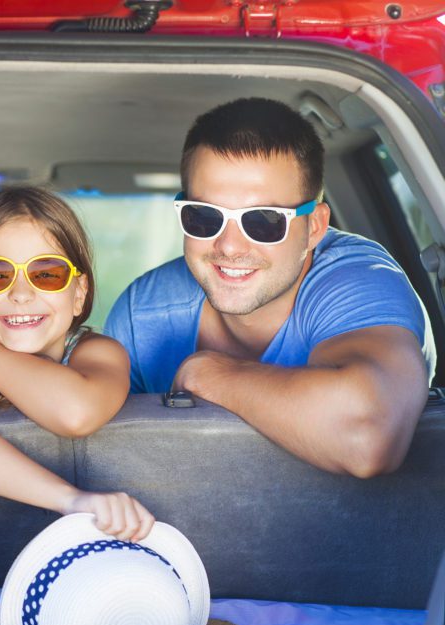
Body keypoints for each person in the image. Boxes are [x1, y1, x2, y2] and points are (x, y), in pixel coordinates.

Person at [104, 97, 435, 477]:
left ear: (314, 227)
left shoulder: (357, 282)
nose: (229, 246)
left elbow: (368, 436)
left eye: (263, 221)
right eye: (204, 216)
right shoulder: (142, 314)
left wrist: (206, 373)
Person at [0, 187, 153, 541]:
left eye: (46, 274)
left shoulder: (95, 353)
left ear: (79, 294)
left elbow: (76, 412)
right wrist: (71, 499)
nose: (21, 293)